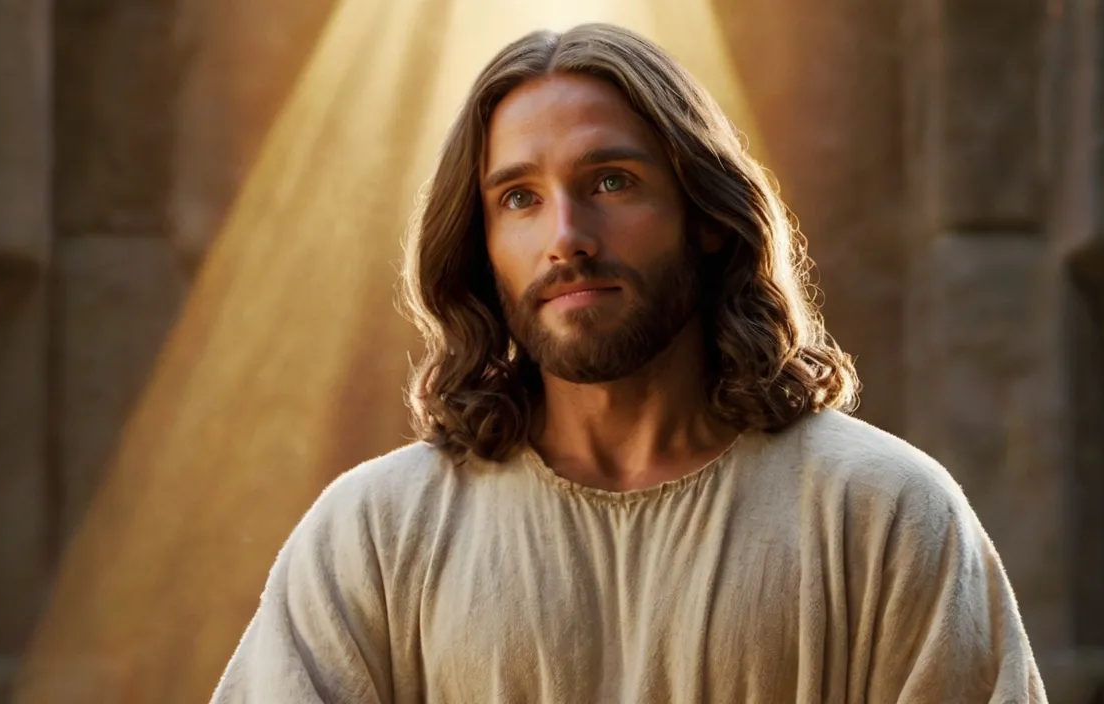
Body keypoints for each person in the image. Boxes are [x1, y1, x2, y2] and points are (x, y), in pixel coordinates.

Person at [211, 23, 1046, 703]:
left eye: (610, 182)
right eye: (519, 198)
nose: (566, 236)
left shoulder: (882, 516)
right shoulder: (378, 536)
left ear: (707, 215)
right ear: (481, 245)